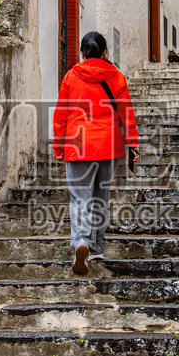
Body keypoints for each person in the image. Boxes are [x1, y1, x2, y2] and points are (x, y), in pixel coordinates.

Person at [51, 31, 140, 275]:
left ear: (81, 53)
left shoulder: (71, 77)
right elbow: (126, 113)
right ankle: (98, 246)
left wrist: (59, 146)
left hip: (77, 145)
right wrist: (133, 144)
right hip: (108, 146)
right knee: (101, 196)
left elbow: (61, 114)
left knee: (80, 198)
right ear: (104, 53)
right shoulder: (116, 77)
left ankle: (81, 241)